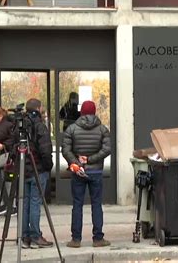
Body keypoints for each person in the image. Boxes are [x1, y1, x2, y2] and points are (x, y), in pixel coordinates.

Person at [62, 100, 111, 248]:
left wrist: (76, 163)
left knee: (77, 204)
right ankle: (98, 238)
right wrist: (91, 159)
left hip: (78, 172)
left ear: (81, 112)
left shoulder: (71, 129)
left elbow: (65, 150)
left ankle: (76, 239)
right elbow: (107, 149)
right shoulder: (102, 129)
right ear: (94, 112)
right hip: (95, 171)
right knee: (96, 204)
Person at [20, 99, 54, 249]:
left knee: (25, 202)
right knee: (35, 203)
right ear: (39, 109)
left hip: (23, 169)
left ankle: (24, 236)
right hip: (37, 169)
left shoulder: (20, 126)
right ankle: (35, 235)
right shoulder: (39, 126)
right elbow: (45, 149)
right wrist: (48, 166)